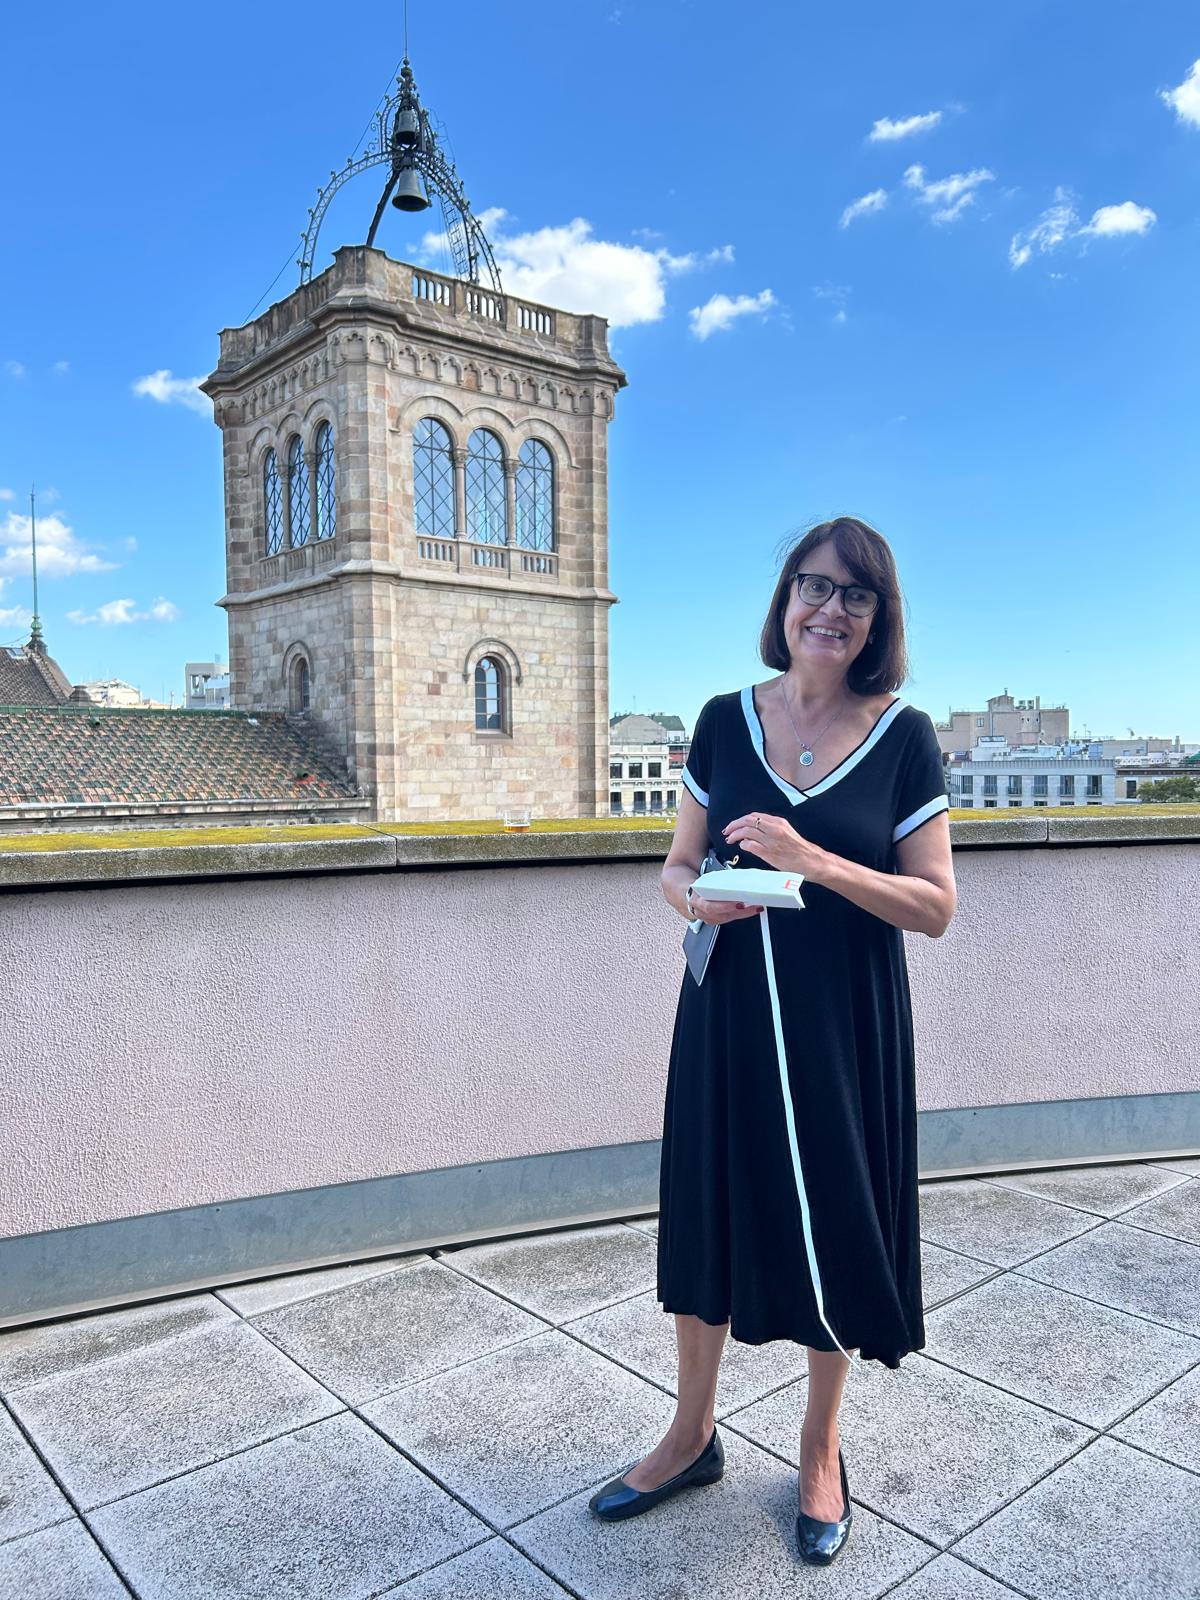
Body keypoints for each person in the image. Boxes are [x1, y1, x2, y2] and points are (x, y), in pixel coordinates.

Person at [589, 516, 957, 1565]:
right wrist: (692, 904)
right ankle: (690, 1432)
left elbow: (934, 906)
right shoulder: (719, 721)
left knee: (837, 1217)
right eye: (812, 587)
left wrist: (814, 858)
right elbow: (675, 865)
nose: (828, 610)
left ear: (878, 619)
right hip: (730, 1012)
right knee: (711, 1208)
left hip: (845, 1026)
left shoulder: (904, 735)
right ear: (784, 601)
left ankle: (819, 1447)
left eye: (854, 595)